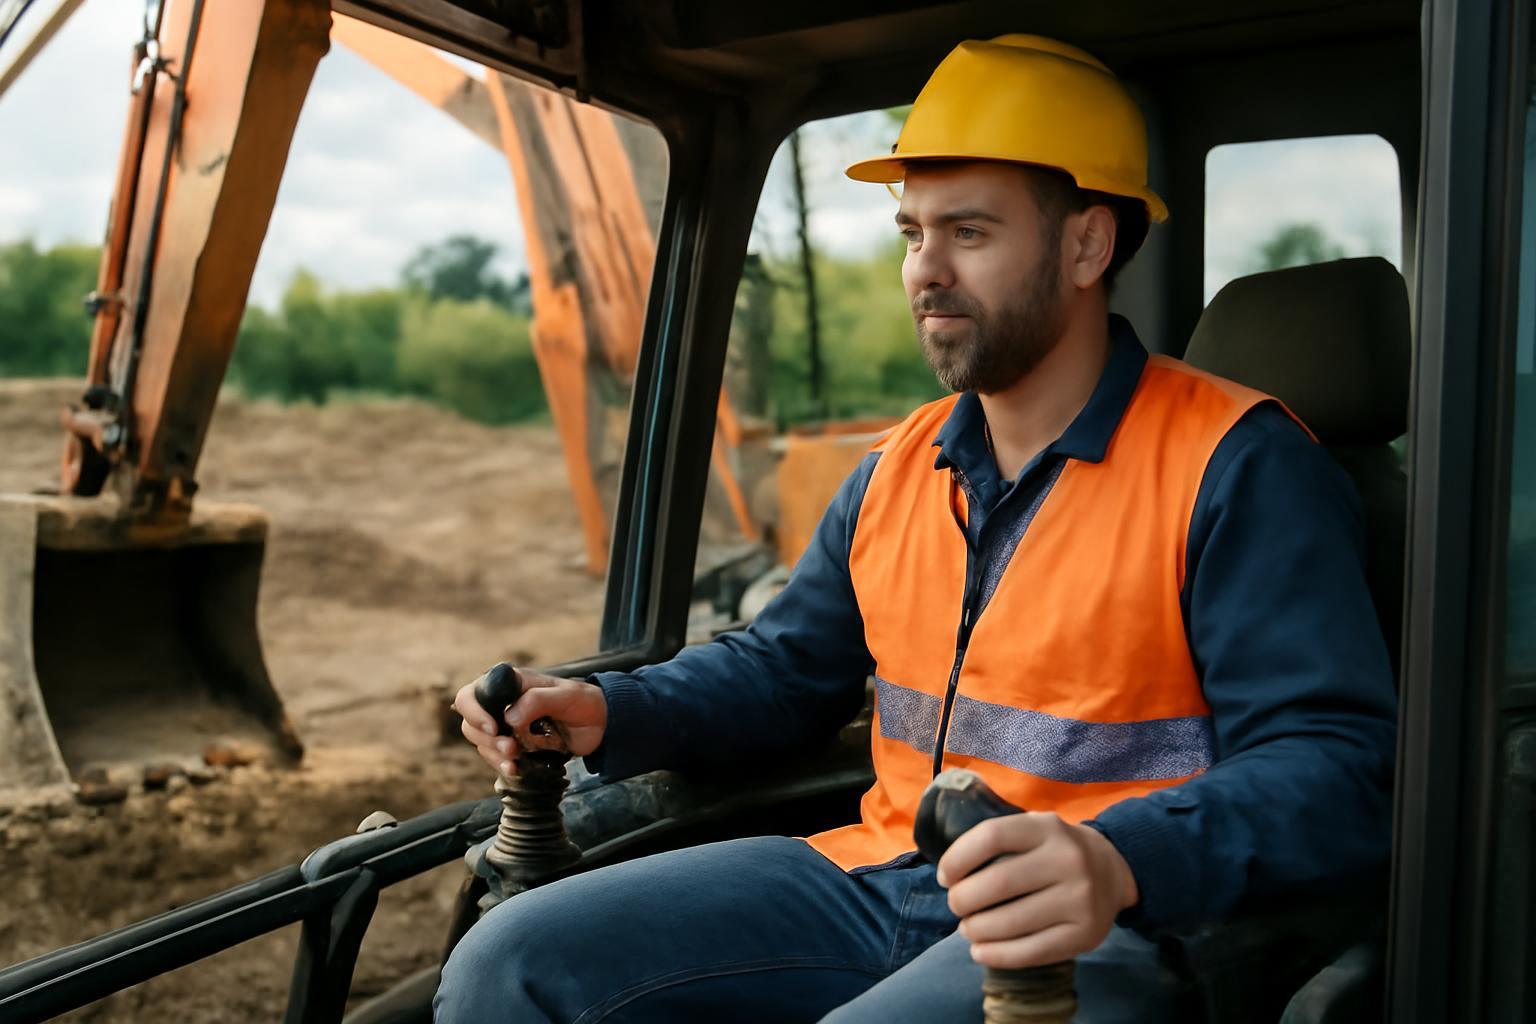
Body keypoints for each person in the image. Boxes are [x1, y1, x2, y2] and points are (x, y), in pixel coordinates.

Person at [434, 34, 1396, 1023]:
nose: (924, 272)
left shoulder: (1239, 465)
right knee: (508, 961)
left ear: (1085, 245)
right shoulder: (899, 464)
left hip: (1097, 923)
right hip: (878, 873)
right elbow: (783, 667)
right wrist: (608, 709)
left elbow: (1333, 764)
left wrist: (1117, 857)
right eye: (910, 234)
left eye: (968, 233)